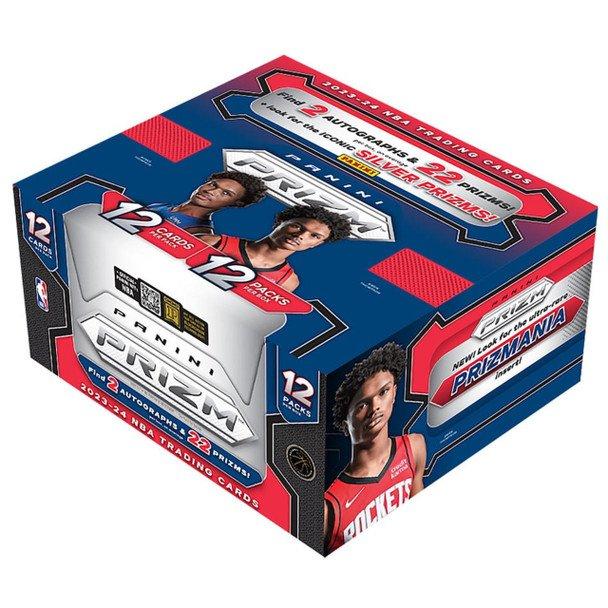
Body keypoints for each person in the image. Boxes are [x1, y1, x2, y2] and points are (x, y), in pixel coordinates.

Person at [324, 342, 426, 553]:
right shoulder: (329, 508)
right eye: (362, 405)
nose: (375, 407)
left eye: (383, 392)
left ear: (394, 392)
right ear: (345, 422)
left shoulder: (414, 448)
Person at [198, 204, 351, 292]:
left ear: (316, 244)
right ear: (280, 222)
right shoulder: (213, 242)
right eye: (297, 226)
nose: (301, 235)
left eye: (314, 236)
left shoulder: (287, 282)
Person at [146, 171, 267, 236]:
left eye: (225, 193)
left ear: (236, 203)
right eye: (213, 184)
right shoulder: (160, 205)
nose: (211, 191)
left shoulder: (200, 233)